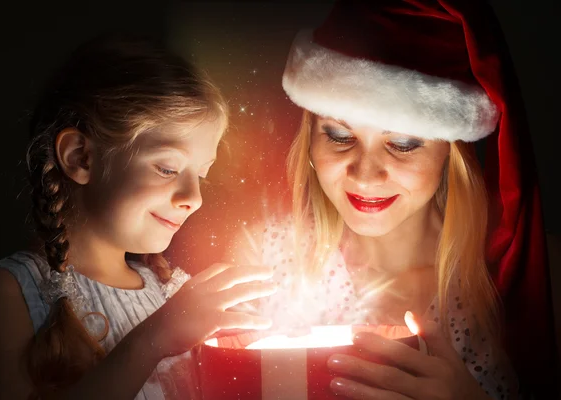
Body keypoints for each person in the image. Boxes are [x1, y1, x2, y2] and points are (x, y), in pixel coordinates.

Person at [225, 0, 557, 399]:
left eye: (402, 144)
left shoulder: (523, 273)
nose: (365, 175)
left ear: (450, 153)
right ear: (309, 137)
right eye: (339, 136)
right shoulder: (261, 264)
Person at [0, 33, 277, 400]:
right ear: (81, 157)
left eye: (202, 176)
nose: (194, 198)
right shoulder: (9, 291)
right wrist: (155, 338)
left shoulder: (172, 295)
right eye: (166, 168)